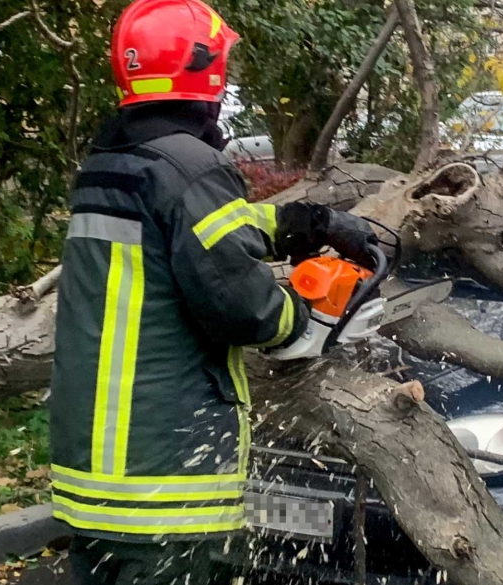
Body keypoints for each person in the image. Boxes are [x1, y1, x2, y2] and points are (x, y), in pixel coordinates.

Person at [47, 1, 377, 583]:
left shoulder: (113, 164)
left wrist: (302, 222)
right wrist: (302, 319)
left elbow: (190, 234)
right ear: (206, 69)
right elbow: (243, 307)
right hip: (164, 481)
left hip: (95, 475)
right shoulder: (193, 167)